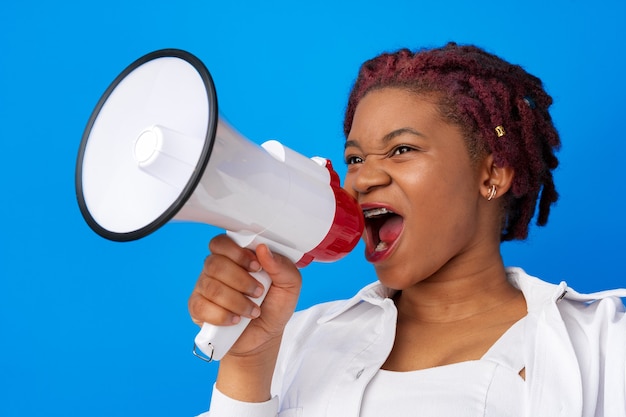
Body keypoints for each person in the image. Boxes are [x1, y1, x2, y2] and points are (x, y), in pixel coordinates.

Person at [188, 42, 626, 416]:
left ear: (492, 175)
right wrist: (247, 363)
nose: (363, 179)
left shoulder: (604, 347)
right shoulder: (297, 337)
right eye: (355, 158)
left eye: (401, 149)